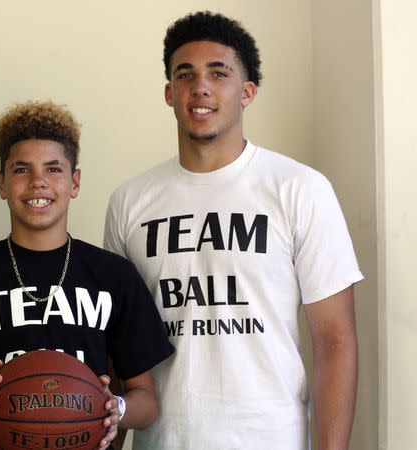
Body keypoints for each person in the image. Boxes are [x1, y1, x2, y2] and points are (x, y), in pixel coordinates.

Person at [104, 11, 362, 450]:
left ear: (247, 92)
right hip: (164, 439)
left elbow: (335, 341)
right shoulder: (130, 201)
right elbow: (116, 347)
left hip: (271, 438)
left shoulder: (299, 188)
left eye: (218, 73)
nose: (200, 86)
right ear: (169, 93)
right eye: (185, 74)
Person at [0, 100, 174, 449]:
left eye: (54, 169)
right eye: (21, 170)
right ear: (1, 183)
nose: (38, 182)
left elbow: (146, 403)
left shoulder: (114, 275)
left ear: (74, 182)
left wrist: (115, 408)